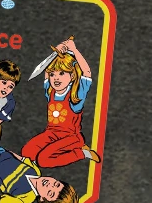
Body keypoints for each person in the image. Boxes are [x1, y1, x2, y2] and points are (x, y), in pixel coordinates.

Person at [21, 37, 101, 168]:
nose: (56, 78)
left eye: (62, 73)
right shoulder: (50, 91)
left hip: (71, 137)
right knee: (27, 152)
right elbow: (46, 70)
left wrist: (74, 50)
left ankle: (82, 153)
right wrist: (55, 53)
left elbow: (86, 72)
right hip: (51, 134)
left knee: (43, 160)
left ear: (72, 75)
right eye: (53, 74)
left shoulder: (76, 95)